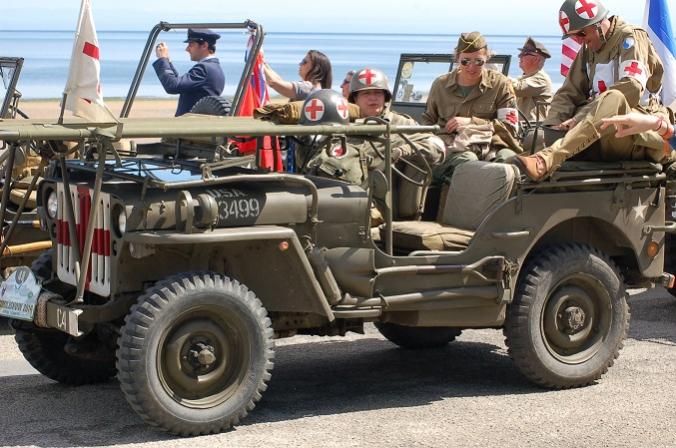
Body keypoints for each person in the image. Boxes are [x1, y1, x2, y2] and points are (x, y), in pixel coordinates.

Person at [512, 0, 672, 181]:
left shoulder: (630, 38)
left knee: (615, 97)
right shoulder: (588, 50)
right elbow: (568, 92)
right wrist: (554, 125)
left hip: (636, 133)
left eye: (582, 33)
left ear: (599, 22)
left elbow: (632, 87)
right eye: (573, 37)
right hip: (600, 132)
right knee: (538, 134)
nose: (579, 40)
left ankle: (547, 159)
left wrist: (581, 117)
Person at [421, 32, 523, 183]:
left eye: (479, 61)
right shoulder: (441, 85)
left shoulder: (500, 85)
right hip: (453, 147)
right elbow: (428, 123)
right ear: (457, 59)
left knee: (508, 161)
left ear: (487, 58)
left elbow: (510, 127)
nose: (472, 67)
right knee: (468, 160)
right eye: (465, 61)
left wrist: (471, 122)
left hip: (492, 146)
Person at [153, 28, 225, 117]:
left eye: (191, 45)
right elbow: (179, 84)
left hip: (192, 125)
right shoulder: (213, 66)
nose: (187, 49)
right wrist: (167, 61)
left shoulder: (204, 68)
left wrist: (162, 59)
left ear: (204, 46)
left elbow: (172, 86)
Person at [511, 37, 553, 123]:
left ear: (536, 59)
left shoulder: (541, 79)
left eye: (524, 54)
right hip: (525, 127)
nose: (519, 56)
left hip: (534, 129)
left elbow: (516, 88)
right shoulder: (525, 78)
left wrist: (497, 76)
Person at [263, 50, 332, 101]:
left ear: (315, 68)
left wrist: (259, 63)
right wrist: (263, 63)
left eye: (304, 61)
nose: (300, 64)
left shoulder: (307, 87)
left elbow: (273, 82)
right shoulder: (318, 90)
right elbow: (279, 81)